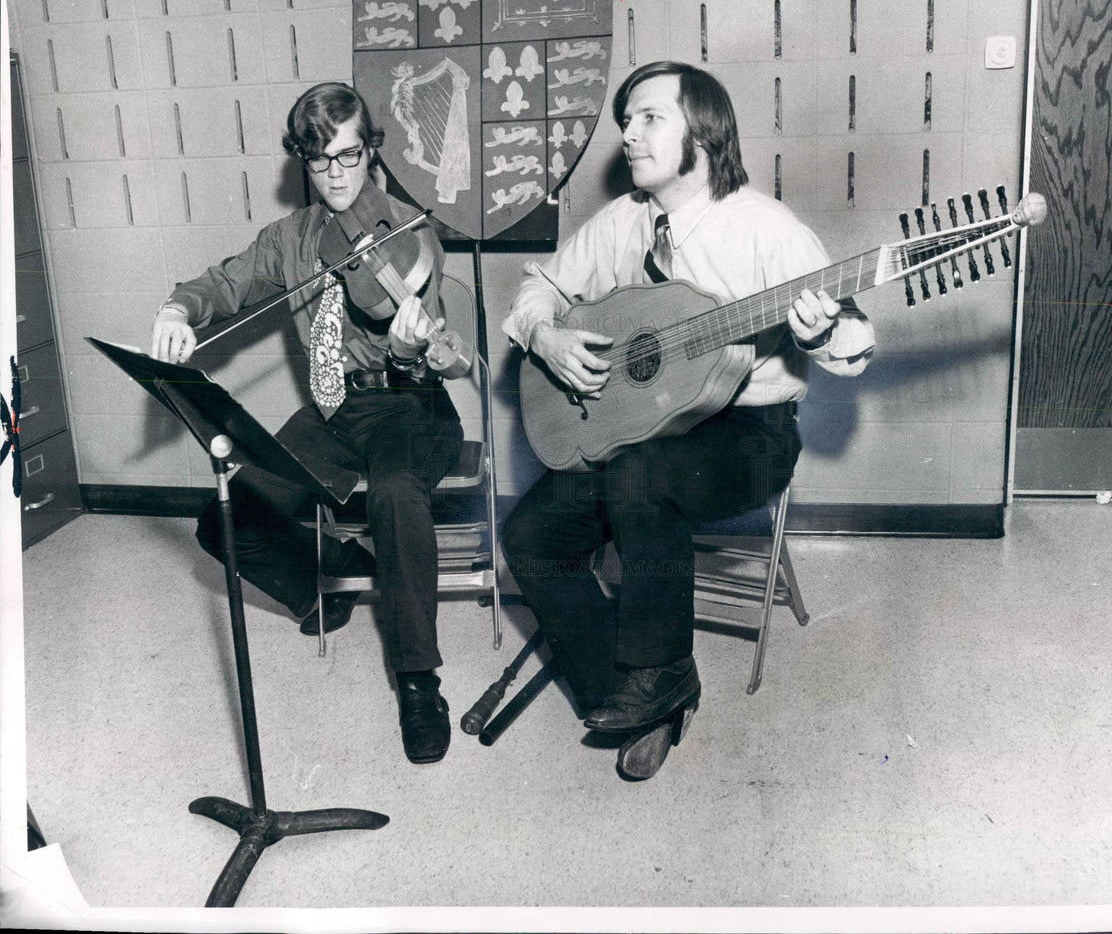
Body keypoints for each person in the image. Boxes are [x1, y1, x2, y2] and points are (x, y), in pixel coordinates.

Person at [501, 61, 876, 780]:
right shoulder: (623, 223)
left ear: (701, 132)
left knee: (642, 478)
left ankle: (655, 672)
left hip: (748, 434)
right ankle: (639, 688)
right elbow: (538, 288)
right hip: (641, 423)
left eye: (648, 118)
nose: (628, 135)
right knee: (530, 535)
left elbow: (857, 343)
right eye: (627, 120)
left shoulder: (769, 230)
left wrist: (820, 333)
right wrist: (545, 335)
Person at [148, 82, 466, 764]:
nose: (337, 176)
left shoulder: (411, 233)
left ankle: (418, 681)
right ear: (303, 160)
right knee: (223, 517)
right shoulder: (290, 239)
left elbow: (435, 347)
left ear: (371, 151)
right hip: (333, 408)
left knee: (394, 492)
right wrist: (178, 310)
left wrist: (414, 344)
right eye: (320, 162)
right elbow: (224, 283)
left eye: (350, 157)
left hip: (411, 403)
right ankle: (329, 574)